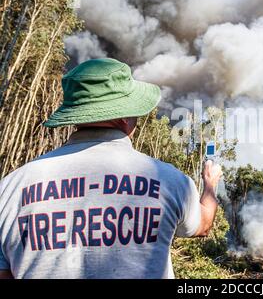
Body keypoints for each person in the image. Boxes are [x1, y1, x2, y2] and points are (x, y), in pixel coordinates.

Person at [0, 58, 222, 279]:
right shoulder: (170, 181)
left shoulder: (9, 189)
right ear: (125, 116)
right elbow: (202, 226)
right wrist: (210, 185)